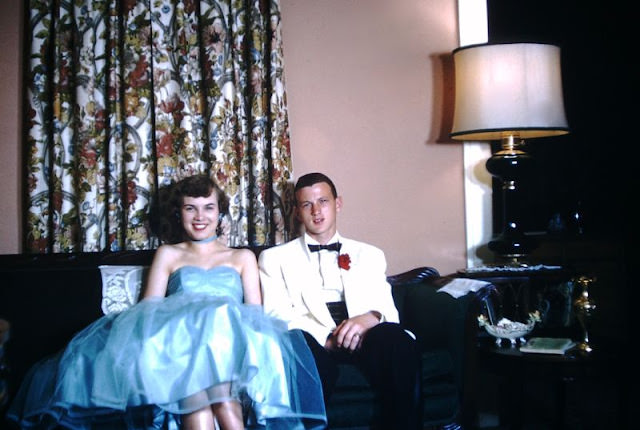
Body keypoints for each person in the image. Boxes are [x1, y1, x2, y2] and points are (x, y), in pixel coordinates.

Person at [7, 174, 327, 430]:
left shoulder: (242, 257)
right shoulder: (169, 254)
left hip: (230, 342)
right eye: (191, 208)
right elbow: (150, 307)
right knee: (202, 392)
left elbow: (255, 313)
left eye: (208, 208)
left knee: (217, 341)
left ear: (220, 213)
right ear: (179, 213)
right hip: (182, 344)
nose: (200, 217)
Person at [258, 172, 422, 430]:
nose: (316, 211)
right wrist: (328, 339)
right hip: (314, 339)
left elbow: (388, 310)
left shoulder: (369, 254)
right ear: (297, 212)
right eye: (306, 205)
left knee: (396, 339)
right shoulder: (273, 259)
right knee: (299, 348)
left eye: (323, 201)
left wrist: (371, 317)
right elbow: (277, 316)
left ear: (338, 204)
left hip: (364, 335)